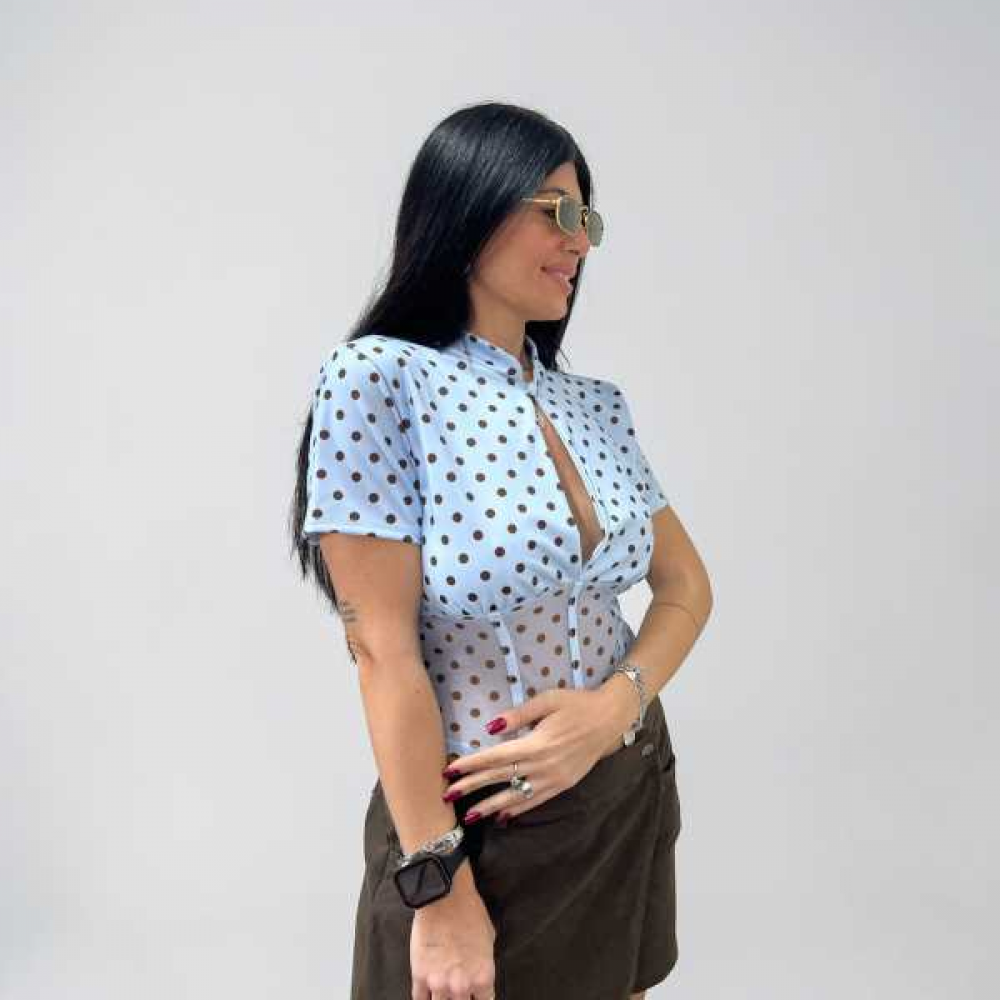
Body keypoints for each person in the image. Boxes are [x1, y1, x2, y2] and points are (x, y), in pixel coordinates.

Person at [290, 101, 713, 1000]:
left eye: (587, 218)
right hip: (471, 833)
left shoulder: (594, 405)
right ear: (469, 207)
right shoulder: (380, 379)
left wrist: (611, 711)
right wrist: (438, 886)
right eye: (556, 210)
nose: (580, 242)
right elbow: (382, 650)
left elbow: (685, 586)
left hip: (624, 790)